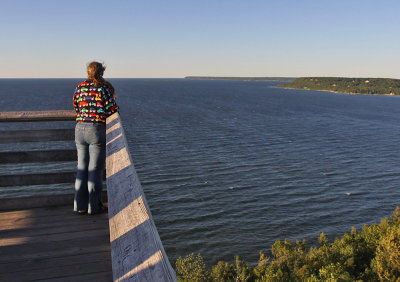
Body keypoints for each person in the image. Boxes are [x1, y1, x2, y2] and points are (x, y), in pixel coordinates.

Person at [73, 61, 119, 214]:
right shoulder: (103, 89)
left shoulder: (80, 87)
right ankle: (94, 206)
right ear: (102, 73)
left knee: (81, 168)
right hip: (96, 129)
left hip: (79, 129)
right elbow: (112, 108)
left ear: (88, 73)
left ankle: (79, 206)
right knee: (95, 171)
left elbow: (76, 105)